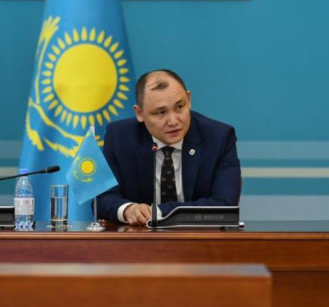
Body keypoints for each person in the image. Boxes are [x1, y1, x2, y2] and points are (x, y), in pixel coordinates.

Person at [96, 69, 241, 226]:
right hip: (139, 239)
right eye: (160, 113)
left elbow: (225, 205)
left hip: (199, 238)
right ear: (139, 113)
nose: (173, 121)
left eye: (179, 107)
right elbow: (102, 199)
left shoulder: (218, 138)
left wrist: (157, 212)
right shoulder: (120, 137)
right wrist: (128, 210)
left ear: (189, 99)